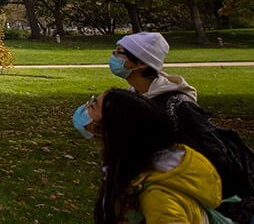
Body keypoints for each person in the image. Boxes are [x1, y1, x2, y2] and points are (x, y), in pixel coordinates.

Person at [110, 31, 254, 223]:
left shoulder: (178, 105)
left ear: (141, 64)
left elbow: (216, 156)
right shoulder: (135, 97)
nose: (113, 57)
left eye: (119, 53)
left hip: (187, 198)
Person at [76, 88, 223, 224]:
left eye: (93, 106)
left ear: (114, 130)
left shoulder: (159, 199)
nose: (86, 108)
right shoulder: (138, 168)